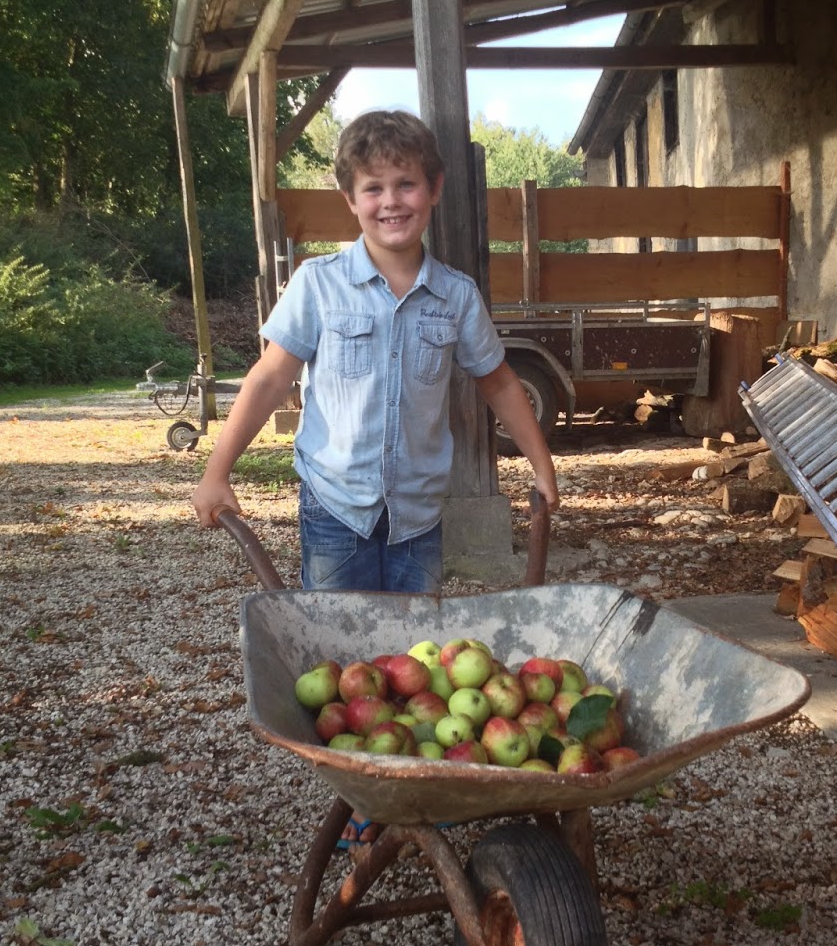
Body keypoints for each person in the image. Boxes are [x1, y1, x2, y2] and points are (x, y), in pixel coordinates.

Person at [191, 108, 560, 845]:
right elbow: (269, 379)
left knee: (417, 663)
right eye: (373, 188)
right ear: (349, 199)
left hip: (419, 512)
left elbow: (496, 382)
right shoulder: (319, 286)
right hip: (337, 505)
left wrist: (542, 464)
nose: (391, 201)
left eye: (406, 184)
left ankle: (407, 781)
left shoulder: (454, 297)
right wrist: (216, 471)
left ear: (434, 189)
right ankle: (365, 791)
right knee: (342, 664)